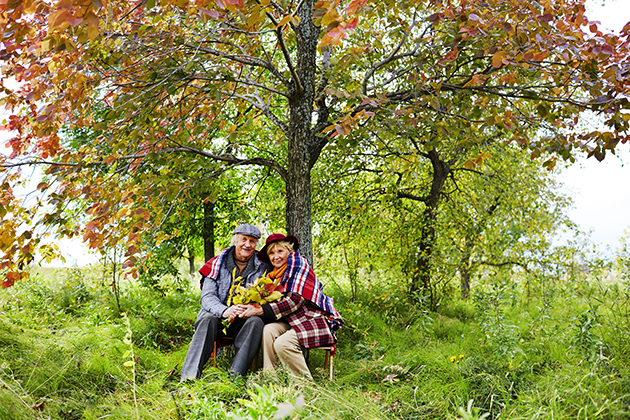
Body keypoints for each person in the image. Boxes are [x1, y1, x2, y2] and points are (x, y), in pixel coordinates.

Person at [238, 233, 342, 379]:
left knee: (283, 344)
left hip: (312, 320)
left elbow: (295, 301)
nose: (276, 257)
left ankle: (305, 388)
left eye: (280, 251)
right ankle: (272, 380)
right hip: (291, 322)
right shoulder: (273, 275)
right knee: (268, 330)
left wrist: (259, 310)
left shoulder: (299, 264)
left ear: (289, 251)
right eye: (271, 253)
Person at [180, 224, 272, 381]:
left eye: (252, 241)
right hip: (218, 318)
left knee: (256, 322)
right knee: (207, 319)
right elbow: (207, 297)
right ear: (235, 241)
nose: (248, 245)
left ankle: (234, 378)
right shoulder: (216, 264)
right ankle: (189, 379)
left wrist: (252, 308)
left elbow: (268, 293)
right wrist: (224, 311)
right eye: (244, 239)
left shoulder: (264, 267)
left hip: (243, 319)